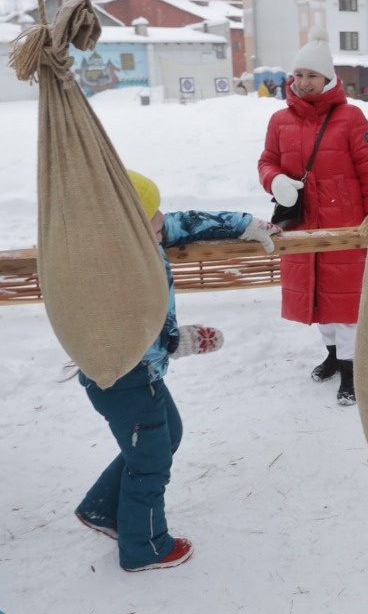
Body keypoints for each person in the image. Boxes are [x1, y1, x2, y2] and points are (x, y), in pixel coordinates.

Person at [74, 170, 281, 571]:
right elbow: (117, 328)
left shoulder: (139, 234)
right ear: (126, 224)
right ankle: (145, 546)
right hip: (123, 377)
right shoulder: (110, 268)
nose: (162, 223)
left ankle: (101, 509)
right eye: (152, 217)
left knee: (168, 436)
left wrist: (245, 225)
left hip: (143, 374)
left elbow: (180, 222)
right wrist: (175, 342)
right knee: (150, 462)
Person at [258, 25, 368, 406]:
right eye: (299, 74)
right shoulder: (280, 121)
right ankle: (332, 355)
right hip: (301, 223)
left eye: (312, 75)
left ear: (328, 78)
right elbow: (267, 162)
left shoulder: (351, 116)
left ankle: (351, 369)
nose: (304, 82)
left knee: (344, 302)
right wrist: (274, 180)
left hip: (346, 226)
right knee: (317, 298)